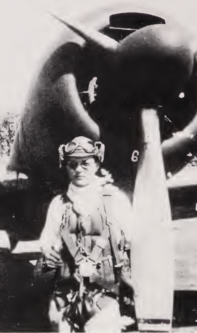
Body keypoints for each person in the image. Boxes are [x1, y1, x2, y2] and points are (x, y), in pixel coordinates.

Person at [39, 136, 133, 332]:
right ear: (66, 167)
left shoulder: (115, 199)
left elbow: (133, 240)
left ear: (97, 164)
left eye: (85, 164)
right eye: (72, 164)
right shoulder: (59, 204)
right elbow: (46, 239)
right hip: (65, 296)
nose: (79, 169)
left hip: (103, 296)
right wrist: (48, 250)